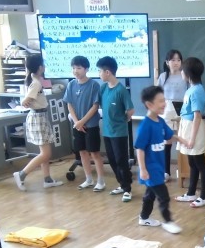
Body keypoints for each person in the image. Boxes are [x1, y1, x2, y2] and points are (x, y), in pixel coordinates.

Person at [135, 86, 188, 234]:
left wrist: (180, 139)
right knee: (163, 197)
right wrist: (143, 169)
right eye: (160, 101)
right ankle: (168, 221)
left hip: (158, 167)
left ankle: (144, 217)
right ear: (149, 104)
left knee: (150, 194)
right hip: (150, 169)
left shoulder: (160, 121)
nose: (164, 104)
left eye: (164, 100)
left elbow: (169, 135)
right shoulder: (145, 126)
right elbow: (140, 149)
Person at [12, 54, 63, 191]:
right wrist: (28, 102)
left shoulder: (33, 79)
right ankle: (21, 174)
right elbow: (25, 102)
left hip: (40, 117)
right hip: (38, 118)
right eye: (43, 64)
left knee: (45, 151)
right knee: (45, 154)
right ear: (40, 67)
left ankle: (47, 179)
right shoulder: (36, 83)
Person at [63, 55, 106, 192]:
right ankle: (88, 179)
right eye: (73, 68)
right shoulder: (71, 84)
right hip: (77, 126)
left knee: (95, 153)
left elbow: (95, 106)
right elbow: (69, 104)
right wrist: (77, 122)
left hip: (90, 125)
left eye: (79, 68)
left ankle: (101, 181)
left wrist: (82, 121)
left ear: (86, 69)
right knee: (82, 152)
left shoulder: (94, 85)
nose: (75, 71)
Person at [96, 56, 135, 201]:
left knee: (121, 160)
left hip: (119, 132)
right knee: (112, 160)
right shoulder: (103, 88)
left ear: (107, 72)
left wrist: (124, 119)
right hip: (107, 131)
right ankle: (122, 184)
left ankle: (127, 189)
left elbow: (130, 110)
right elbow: (101, 105)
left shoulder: (121, 90)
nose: (99, 74)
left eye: (100, 71)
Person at [174, 57, 205, 208]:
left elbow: (197, 115)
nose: (181, 72)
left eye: (183, 70)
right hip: (187, 126)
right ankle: (191, 193)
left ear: (188, 73)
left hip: (193, 129)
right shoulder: (191, 88)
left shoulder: (197, 90)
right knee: (192, 163)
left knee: (200, 163)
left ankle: (204, 196)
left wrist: (192, 138)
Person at [157, 49, 187, 182]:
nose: (176, 62)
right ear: (167, 62)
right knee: (167, 141)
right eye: (173, 60)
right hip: (166, 111)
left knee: (183, 139)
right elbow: (157, 94)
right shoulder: (163, 76)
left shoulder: (185, 75)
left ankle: (183, 170)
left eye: (178, 60)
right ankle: (166, 172)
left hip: (182, 109)